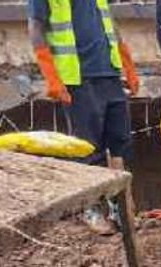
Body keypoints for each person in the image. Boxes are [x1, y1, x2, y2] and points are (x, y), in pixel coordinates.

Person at [28, 0, 141, 235]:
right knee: (88, 146)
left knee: (120, 142)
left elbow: (109, 23)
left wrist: (127, 63)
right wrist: (51, 76)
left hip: (109, 72)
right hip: (78, 77)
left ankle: (120, 208)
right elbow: (36, 28)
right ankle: (91, 209)